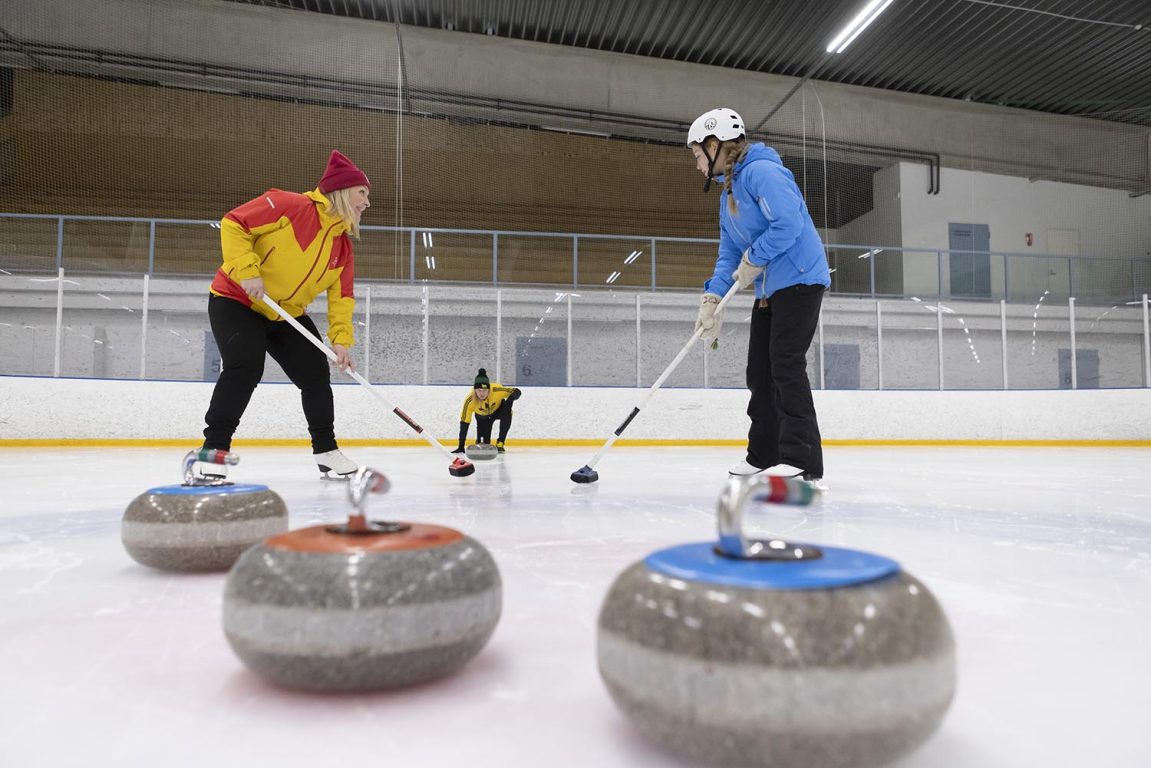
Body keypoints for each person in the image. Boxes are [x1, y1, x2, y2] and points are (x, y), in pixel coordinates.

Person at [199, 150, 370, 479]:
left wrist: (341, 342)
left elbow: (342, 299)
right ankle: (214, 450)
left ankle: (327, 451)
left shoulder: (342, 248)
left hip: (284, 314)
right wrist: (248, 270)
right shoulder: (291, 206)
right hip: (237, 300)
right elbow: (234, 223)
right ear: (342, 189)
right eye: (362, 192)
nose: (366, 202)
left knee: (316, 376)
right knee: (246, 366)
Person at [688, 108, 830, 483]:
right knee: (759, 372)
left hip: (801, 279)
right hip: (769, 289)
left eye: (698, 154)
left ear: (715, 145)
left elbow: (789, 223)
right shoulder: (727, 196)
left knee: (785, 363)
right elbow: (728, 256)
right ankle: (764, 453)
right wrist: (712, 299)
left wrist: (755, 257)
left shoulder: (763, 173)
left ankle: (802, 459)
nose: (697, 163)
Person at [452, 368, 521, 454]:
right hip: (482, 418)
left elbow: (517, 391)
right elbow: (464, 423)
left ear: (489, 389)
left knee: (508, 411)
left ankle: (500, 443)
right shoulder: (470, 401)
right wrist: (461, 446)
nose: (482, 393)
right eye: (479, 390)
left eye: (485, 390)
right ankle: (482, 439)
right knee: (484, 444)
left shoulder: (496, 389)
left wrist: (510, 400)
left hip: (498, 410)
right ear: (474, 390)